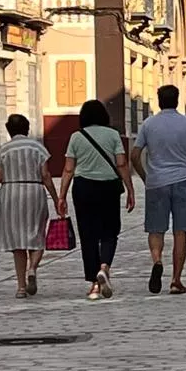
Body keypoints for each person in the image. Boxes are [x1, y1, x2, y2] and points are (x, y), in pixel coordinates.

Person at [131, 85, 186, 296]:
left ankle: (157, 260)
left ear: (159, 101)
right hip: (183, 181)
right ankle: (176, 281)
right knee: (181, 232)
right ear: (177, 100)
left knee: (155, 229)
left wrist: (146, 177)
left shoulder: (148, 124)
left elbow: (134, 155)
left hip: (157, 183)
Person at [59, 99, 136, 301]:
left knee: (88, 235)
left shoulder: (76, 137)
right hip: (108, 188)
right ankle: (104, 267)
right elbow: (121, 164)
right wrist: (130, 189)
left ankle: (94, 284)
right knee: (110, 232)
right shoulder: (113, 135)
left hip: (83, 188)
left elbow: (68, 169)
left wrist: (61, 196)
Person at [0, 114, 58, 299]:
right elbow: (45, 175)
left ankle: (21, 287)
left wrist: (12, 175)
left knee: (17, 243)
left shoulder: (4, 150)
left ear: (9, 130)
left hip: (11, 195)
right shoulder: (38, 148)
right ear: (27, 128)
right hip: (34, 192)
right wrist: (56, 199)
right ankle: (32, 268)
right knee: (37, 235)